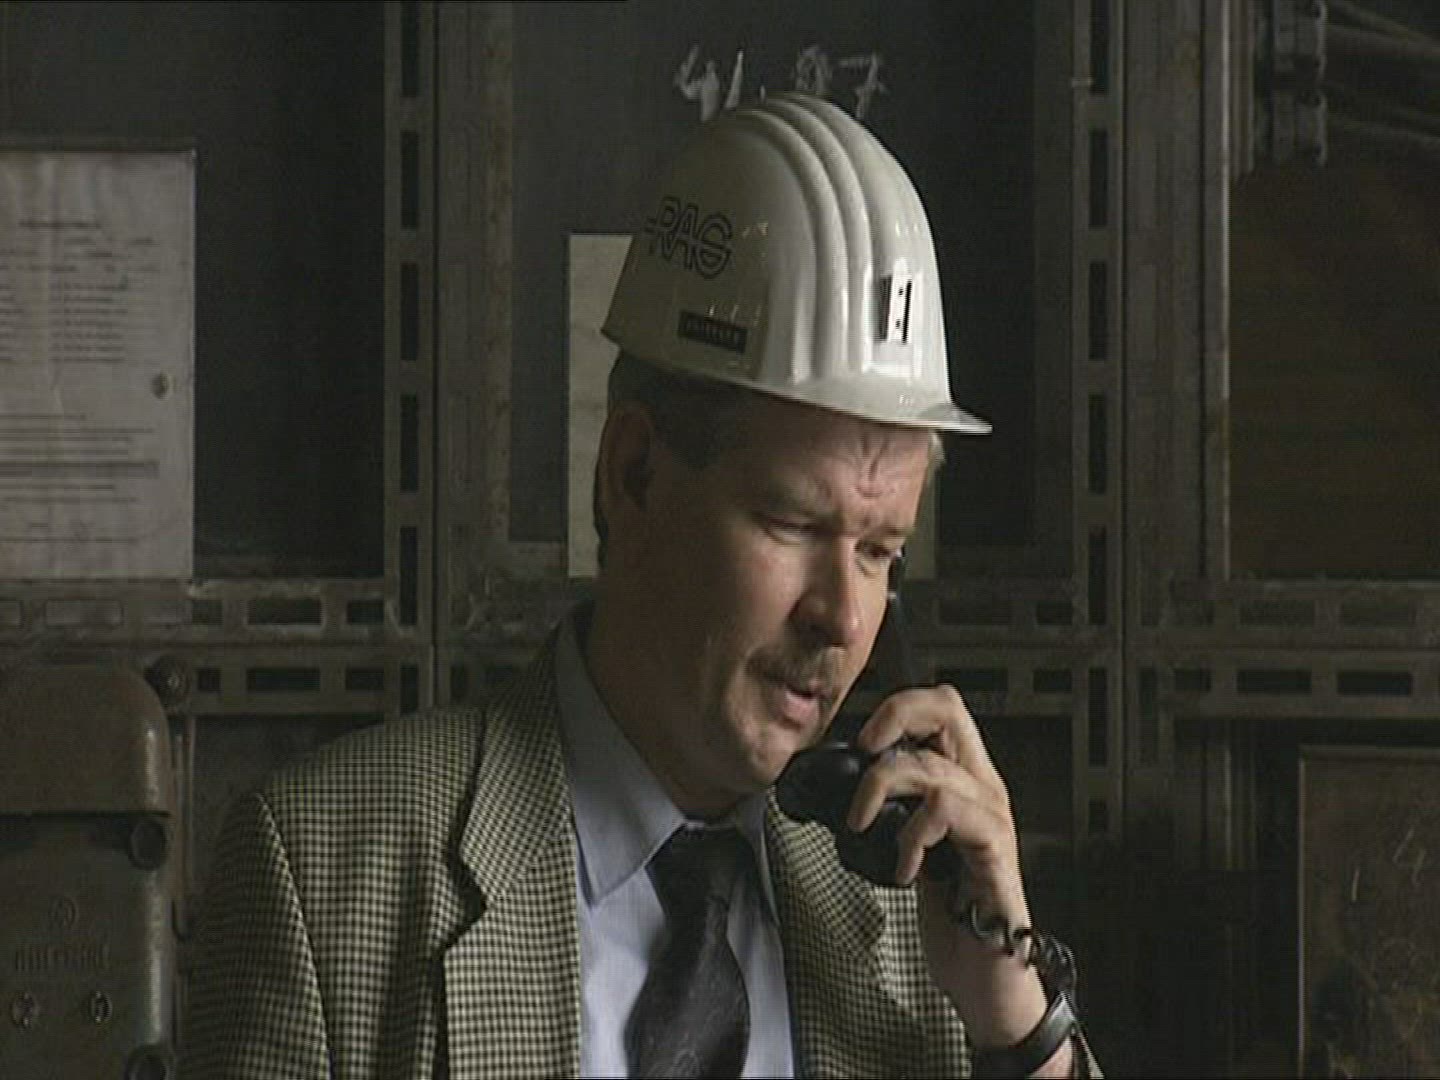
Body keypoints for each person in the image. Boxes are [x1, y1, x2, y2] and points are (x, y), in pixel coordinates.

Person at [183, 92, 1097, 1078]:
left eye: (880, 552)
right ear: (633, 476)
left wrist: (1019, 1025)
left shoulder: (918, 904)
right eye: (793, 525)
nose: (842, 617)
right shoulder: (324, 877)